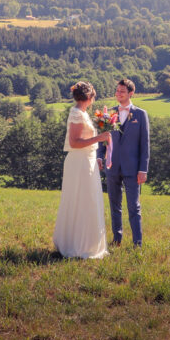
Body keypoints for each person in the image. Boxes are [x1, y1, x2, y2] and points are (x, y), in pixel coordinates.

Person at [53, 81, 110, 259]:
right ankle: (78, 245)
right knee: (82, 200)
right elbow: (74, 143)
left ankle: (87, 243)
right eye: (94, 96)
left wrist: (96, 157)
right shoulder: (77, 114)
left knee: (89, 200)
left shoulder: (83, 113)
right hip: (79, 163)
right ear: (89, 97)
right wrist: (99, 138)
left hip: (88, 161)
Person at [97, 78, 149, 247]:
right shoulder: (108, 114)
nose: (118, 94)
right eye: (117, 91)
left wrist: (143, 169)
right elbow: (102, 139)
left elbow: (145, 144)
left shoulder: (141, 115)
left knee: (134, 206)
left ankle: (137, 243)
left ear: (131, 93)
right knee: (114, 205)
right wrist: (99, 156)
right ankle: (117, 239)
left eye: (122, 91)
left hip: (133, 169)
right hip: (112, 167)